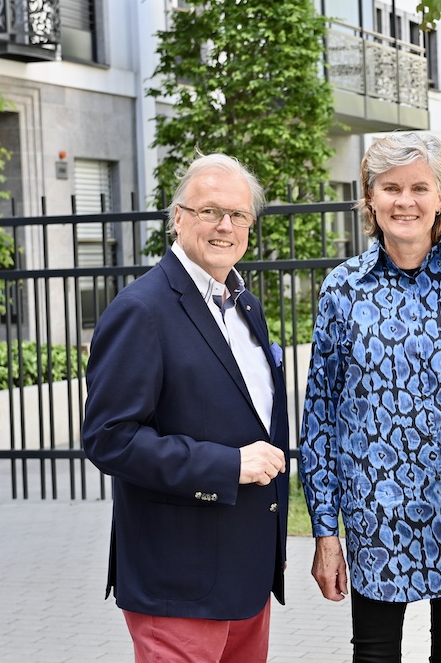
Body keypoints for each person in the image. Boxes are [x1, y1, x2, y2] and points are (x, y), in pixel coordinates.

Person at [300, 132, 441, 663]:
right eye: (390, 188)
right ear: (370, 197)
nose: (404, 201)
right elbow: (320, 417)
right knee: (374, 655)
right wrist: (325, 532)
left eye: (419, 188)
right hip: (376, 514)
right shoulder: (343, 289)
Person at [82, 153, 289, 663]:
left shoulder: (245, 305)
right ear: (178, 217)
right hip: (178, 583)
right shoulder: (141, 309)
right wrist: (227, 464)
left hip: (246, 577)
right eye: (209, 211)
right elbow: (109, 438)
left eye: (238, 215)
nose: (225, 226)